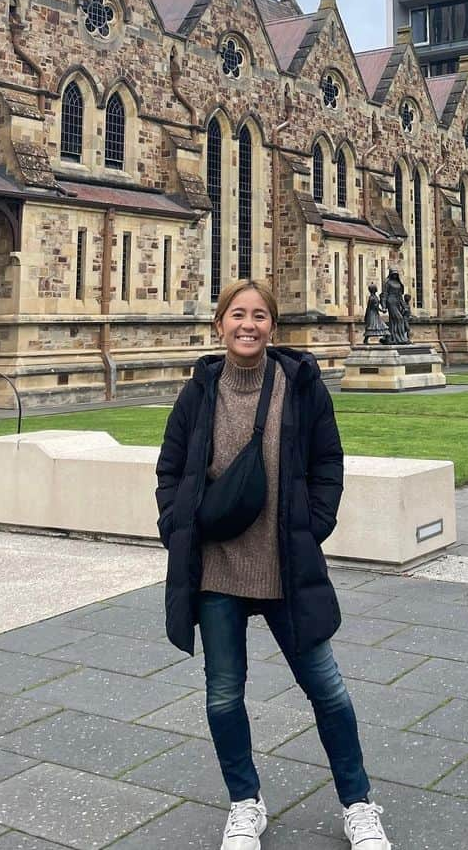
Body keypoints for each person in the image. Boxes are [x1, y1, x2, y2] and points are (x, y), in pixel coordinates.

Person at [155, 278, 392, 850]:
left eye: (260, 315)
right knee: (223, 694)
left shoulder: (300, 385)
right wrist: (176, 527)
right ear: (219, 325)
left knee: (328, 691)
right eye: (237, 314)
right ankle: (245, 803)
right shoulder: (199, 391)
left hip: (285, 565)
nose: (248, 325)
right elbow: (170, 470)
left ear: (273, 327)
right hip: (216, 571)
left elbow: (328, 460)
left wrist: (312, 527)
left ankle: (359, 805)